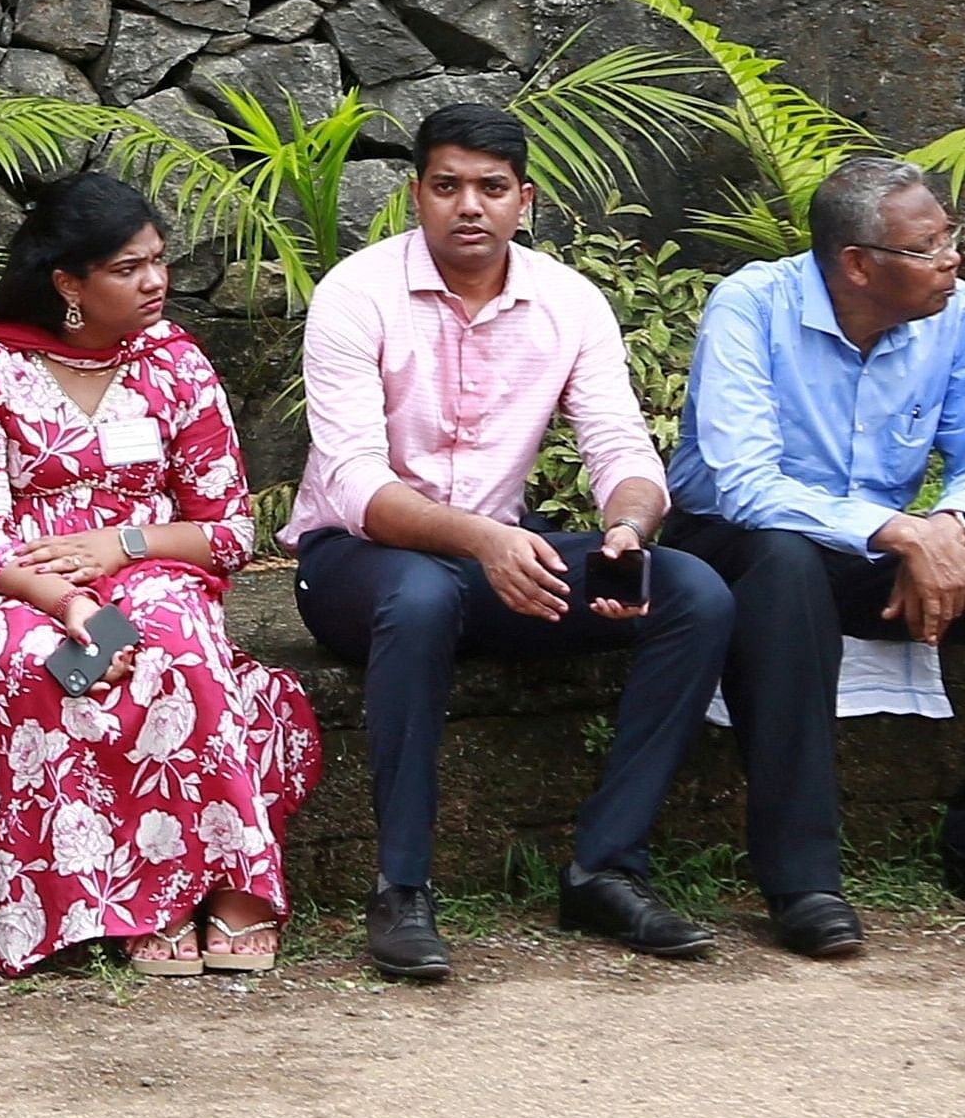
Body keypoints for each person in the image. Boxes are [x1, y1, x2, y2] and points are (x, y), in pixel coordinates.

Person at [287, 103, 737, 982]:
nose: (469, 206)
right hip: (353, 563)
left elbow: (622, 450)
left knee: (694, 591)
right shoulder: (357, 292)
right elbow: (355, 483)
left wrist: (627, 531)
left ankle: (604, 868)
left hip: (493, 562)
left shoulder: (567, 301)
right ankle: (401, 889)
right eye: (447, 185)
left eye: (491, 188)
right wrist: (489, 542)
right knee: (417, 595)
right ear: (414, 194)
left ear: (523, 200)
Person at [668, 157, 965, 956]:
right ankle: (803, 877)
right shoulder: (752, 305)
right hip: (739, 545)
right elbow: (746, 486)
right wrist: (901, 532)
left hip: (882, 544)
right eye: (928, 246)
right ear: (858, 264)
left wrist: (949, 526)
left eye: (948, 236)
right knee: (783, 562)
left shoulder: (956, 313)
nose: (951, 258)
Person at [0, 177, 323, 978]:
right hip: (12, 583)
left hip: (147, 565)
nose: (155, 282)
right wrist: (73, 604)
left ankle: (220, 889)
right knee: (37, 670)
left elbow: (229, 531)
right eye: (127, 268)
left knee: (168, 641)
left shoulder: (175, 360)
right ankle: (131, 901)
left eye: (158, 261)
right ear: (68, 283)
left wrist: (124, 544)